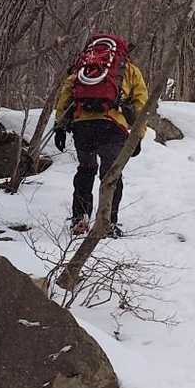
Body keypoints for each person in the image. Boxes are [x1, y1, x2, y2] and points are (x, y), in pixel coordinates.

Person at [54, 33, 148, 237]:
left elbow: (66, 94)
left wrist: (59, 126)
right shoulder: (129, 69)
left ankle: (80, 218)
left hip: (83, 126)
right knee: (111, 174)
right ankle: (107, 223)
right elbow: (141, 104)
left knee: (86, 169)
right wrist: (138, 135)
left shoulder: (83, 69)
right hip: (112, 127)